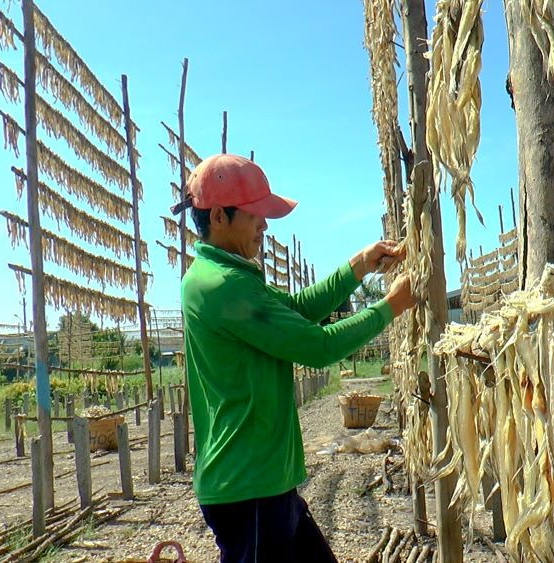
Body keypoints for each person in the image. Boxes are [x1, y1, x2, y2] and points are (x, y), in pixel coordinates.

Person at [171, 154, 414, 562]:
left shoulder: (226, 277)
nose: (264, 225)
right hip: (249, 489)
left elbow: (297, 310)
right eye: (255, 215)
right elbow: (317, 347)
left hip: (262, 485)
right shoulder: (223, 286)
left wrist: (357, 268)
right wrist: (390, 307)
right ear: (218, 216)